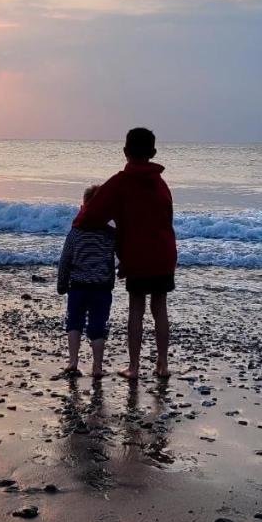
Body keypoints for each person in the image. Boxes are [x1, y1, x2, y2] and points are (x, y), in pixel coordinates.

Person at [76, 127, 177, 379]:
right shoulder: (161, 184)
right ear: (153, 152)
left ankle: (134, 367)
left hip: (138, 255)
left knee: (136, 308)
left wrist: (80, 226)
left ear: (125, 152)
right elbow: (168, 219)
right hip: (163, 253)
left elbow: (92, 214)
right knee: (160, 308)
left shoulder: (120, 182)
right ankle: (162, 365)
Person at [55, 185, 117, 378]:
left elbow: (65, 259)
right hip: (101, 287)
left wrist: (62, 283)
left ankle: (73, 361)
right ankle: (97, 367)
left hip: (78, 287)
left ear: (84, 204)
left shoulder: (76, 231)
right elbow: (116, 256)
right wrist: (117, 275)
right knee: (98, 327)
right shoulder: (109, 233)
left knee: (74, 323)